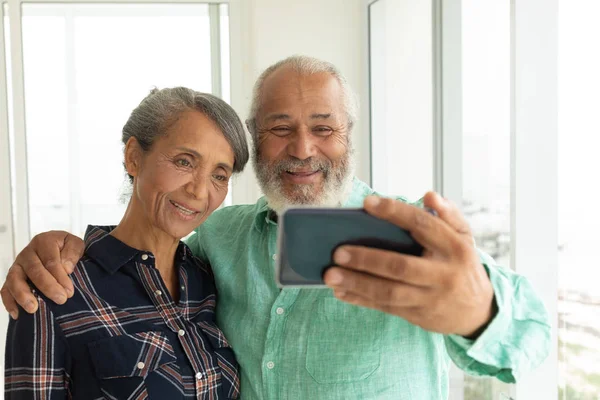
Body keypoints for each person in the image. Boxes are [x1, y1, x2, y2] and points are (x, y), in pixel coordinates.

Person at [2, 56, 550, 400]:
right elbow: (136, 259)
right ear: (256, 142)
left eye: (323, 128)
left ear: (350, 135)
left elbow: (532, 331)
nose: (304, 149)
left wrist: (480, 311)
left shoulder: (408, 231)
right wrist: (55, 246)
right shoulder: (219, 240)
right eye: (280, 129)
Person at [3, 87, 249, 399]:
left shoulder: (210, 281)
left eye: (219, 175)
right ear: (133, 158)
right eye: (185, 161)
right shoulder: (55, 290)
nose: (200, 191)